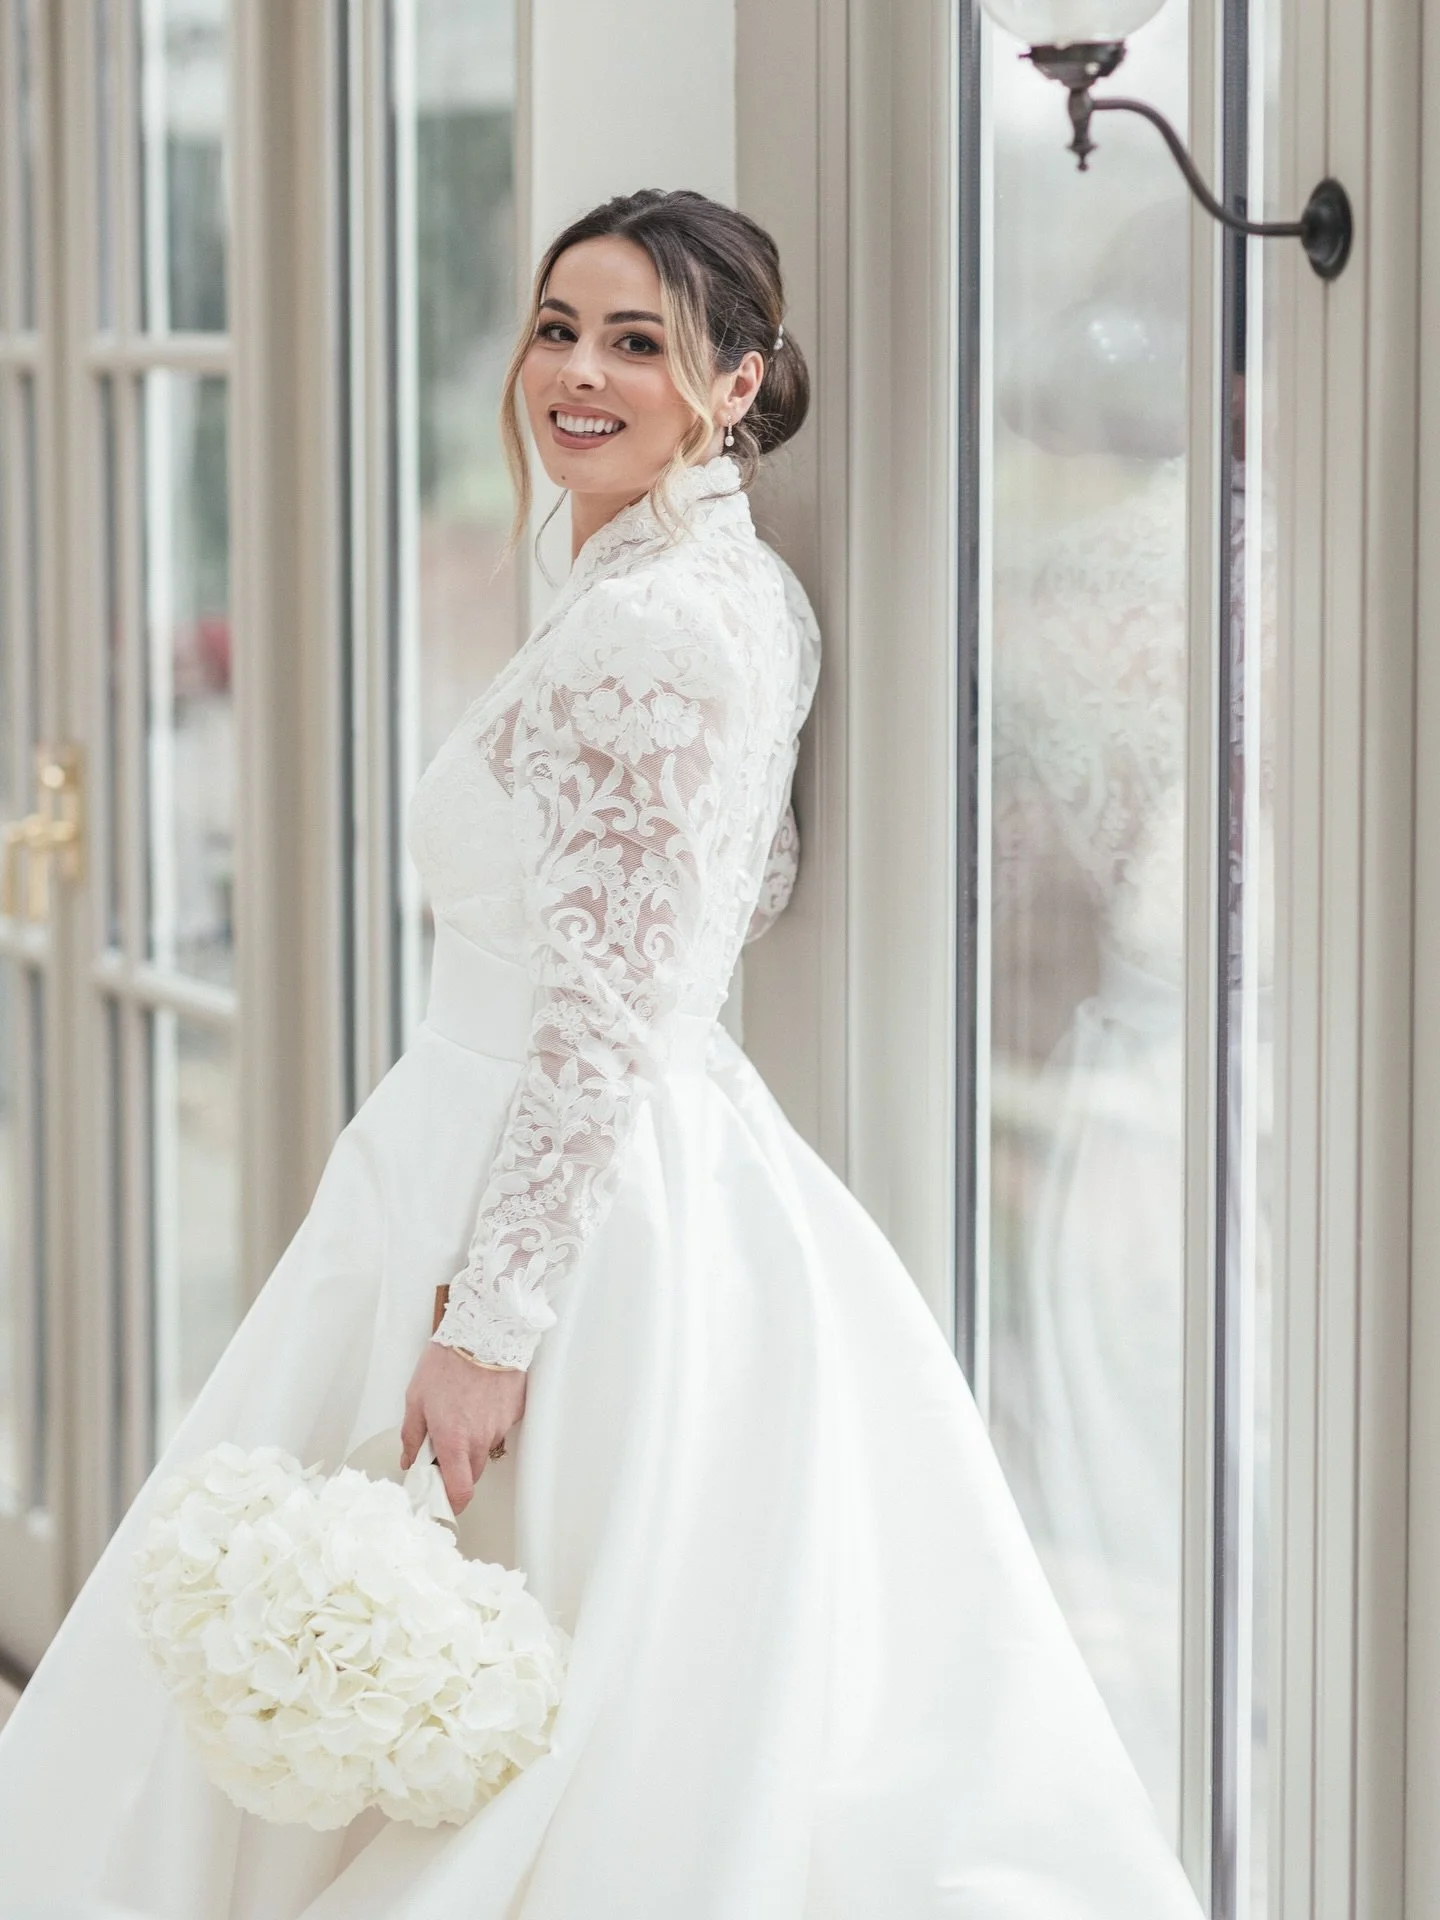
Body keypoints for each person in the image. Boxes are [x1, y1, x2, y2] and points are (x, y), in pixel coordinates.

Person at [0, 189, 1202, 1919]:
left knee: (564, 1667)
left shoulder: (660, 624)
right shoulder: (712, 586)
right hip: (588, 1148)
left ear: (739, 386)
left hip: (543, 1182)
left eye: (640, 342)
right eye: (560, 326)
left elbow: (600, 1015)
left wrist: (490, 1327)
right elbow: (743, 892)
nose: (575, 370)